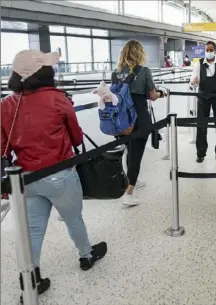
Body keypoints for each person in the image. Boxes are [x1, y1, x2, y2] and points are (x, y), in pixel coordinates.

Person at [1, 50, 107, 299]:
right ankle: (86, 256)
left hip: (26, 178)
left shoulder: (6, 105)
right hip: (60, 173)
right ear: (41, 72)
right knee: (73, 219)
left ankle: (31, 277)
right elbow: (77, 137)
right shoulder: (57, 98)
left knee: (33, 230)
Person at [112, 40, 166, 206]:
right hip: (139, 119)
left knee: (129, 150)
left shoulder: (116, 72)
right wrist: (162, 93)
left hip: (121, 120)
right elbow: (152, 96)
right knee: (136, 155)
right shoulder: (144, 71)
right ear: (139, 53)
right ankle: (129, 193)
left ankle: (130, 180)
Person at [190, 41, 216, 163]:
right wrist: (193, 82)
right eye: (207, 50)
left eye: (211, 50)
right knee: (201, 125)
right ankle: (200, 154)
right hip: (203, 97)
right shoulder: (199, 63)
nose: (209, 52)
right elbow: (192, 81)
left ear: (215, 51)